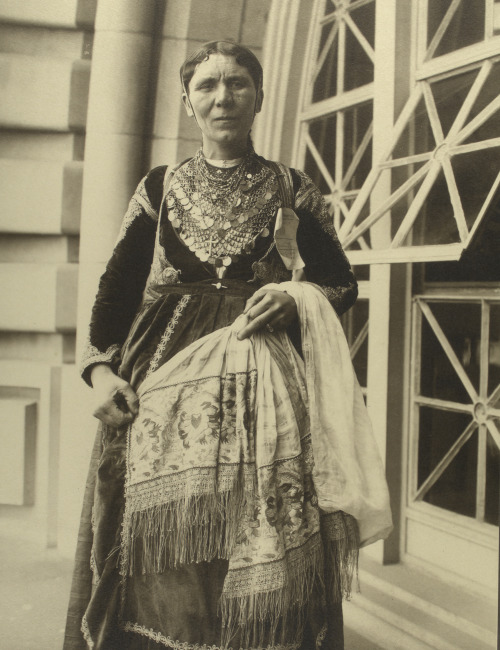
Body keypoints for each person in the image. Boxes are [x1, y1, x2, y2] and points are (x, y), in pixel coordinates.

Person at [64, 41, 392, 650]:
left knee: (259, 530)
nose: (224, 98)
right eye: (208, 86)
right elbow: (114, 292)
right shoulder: (159, 187)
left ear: (260, 97)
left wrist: (298, 298)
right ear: (188, 102)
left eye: (238, 84)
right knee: (158, 547)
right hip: (159, 374)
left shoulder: (292, 186)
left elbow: (341, 282)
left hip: (264, 380)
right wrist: (101, 373)